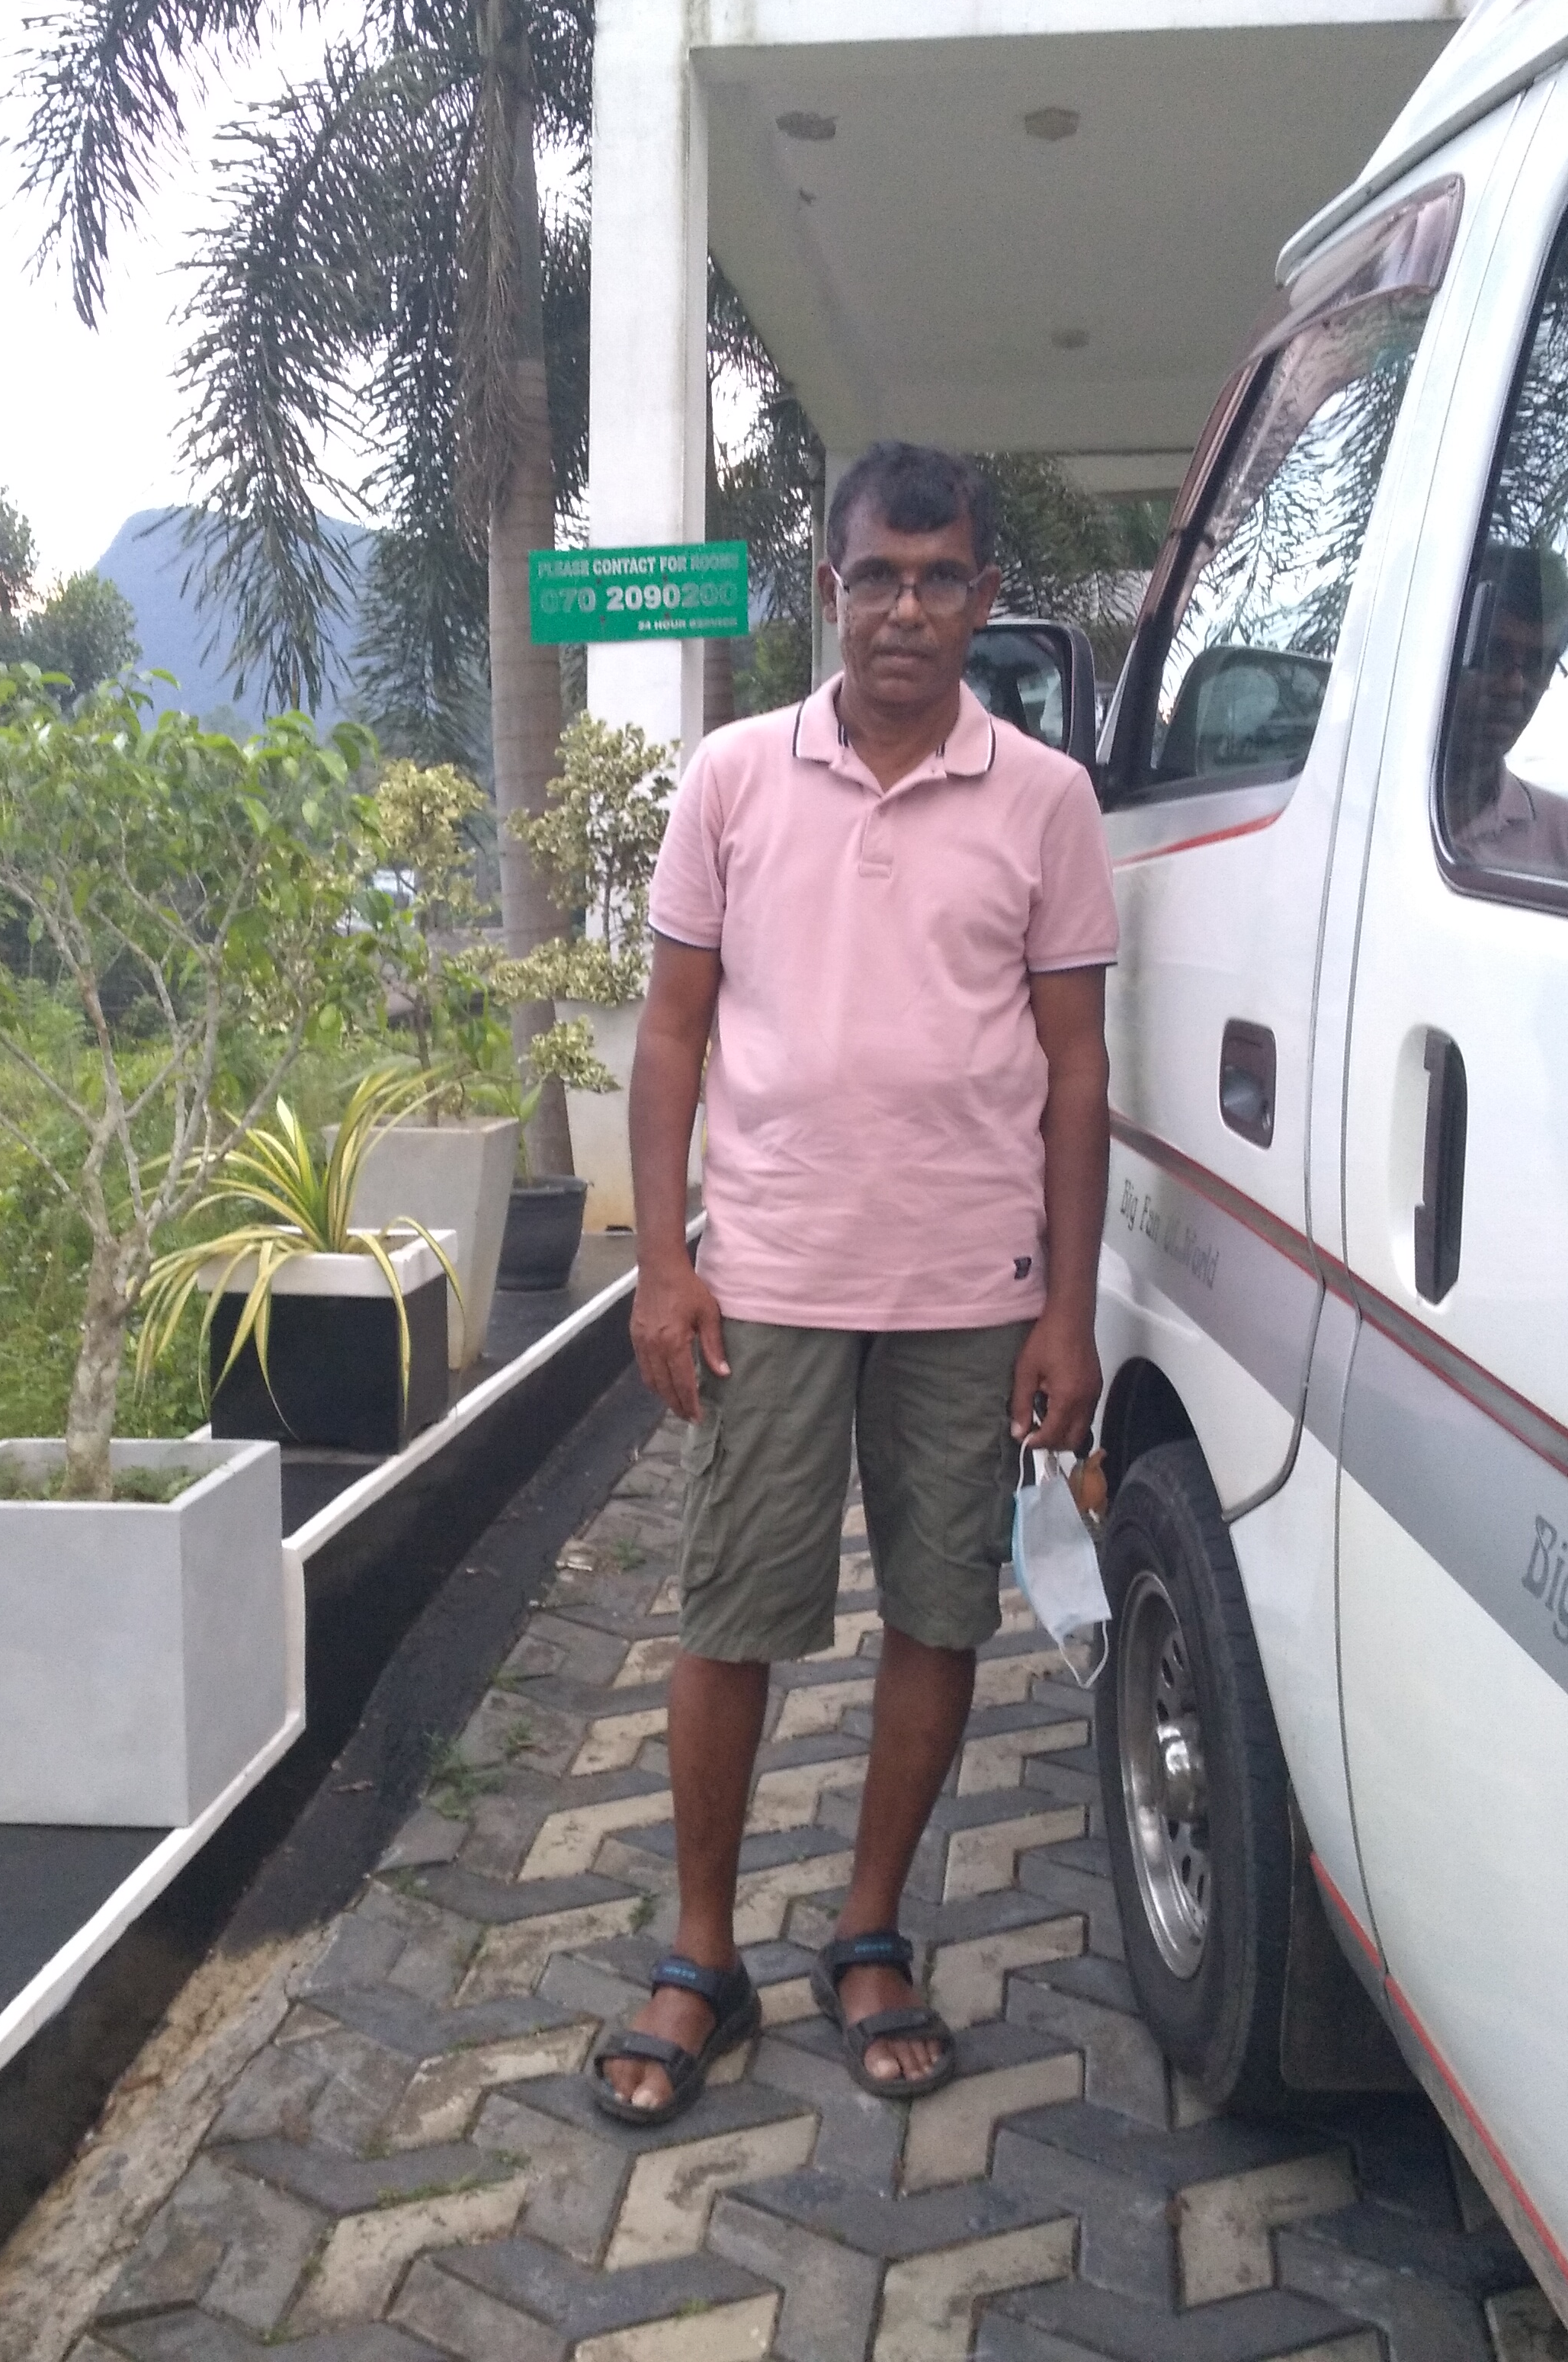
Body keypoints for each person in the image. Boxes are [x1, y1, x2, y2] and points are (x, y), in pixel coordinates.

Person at [592, 442, 1118, 2123]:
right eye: (877, 576)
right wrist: (662, 1263)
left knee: (938, 1614)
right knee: (729, 1620)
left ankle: (871, 1929)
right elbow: (669, 1034)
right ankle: (700, 1955)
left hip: (971, 1289)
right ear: (827, 588)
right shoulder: (732, 779)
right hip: (771, 1280)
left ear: (981, 596)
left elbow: (1079, 1068)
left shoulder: (1044, 800)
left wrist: (1067, 1312)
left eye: (941, 576)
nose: (907, 609)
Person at [1443, 542, 1568, 883]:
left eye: (1537, 664)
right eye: (1494, 653)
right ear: (1449, 649)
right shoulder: (1346, 803)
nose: (1514, 686)